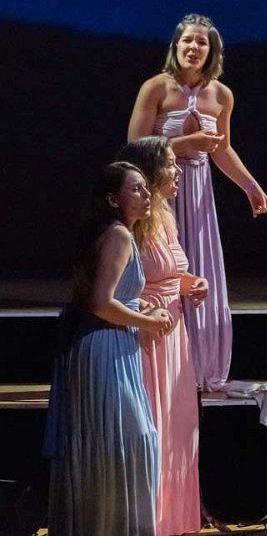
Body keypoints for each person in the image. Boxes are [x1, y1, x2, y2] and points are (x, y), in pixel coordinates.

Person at [128, 13, 267, 391]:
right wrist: (187, 143)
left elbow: (222, 150)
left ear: (212, 51)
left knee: (200, 267)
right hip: (160, 189)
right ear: (176, 45)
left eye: (202, 42)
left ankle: (199, 365)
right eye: (188, 40)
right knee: (165, 270)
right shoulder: (156, 88)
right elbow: (136, 146)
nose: (194, 47)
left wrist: (251, 186)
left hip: (198, 192)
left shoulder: (221, 95)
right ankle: (160, 357)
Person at [43, 162, 173, 535]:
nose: (146, 194)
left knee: (117, 441)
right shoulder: (118, 236)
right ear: (113, 199)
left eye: (146, 187)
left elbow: (114, 294)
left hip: (110, 345)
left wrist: (141, 307)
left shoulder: (114, 233)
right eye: (136, 189)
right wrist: (149, 322)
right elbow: (101, 303)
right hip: (105, 348)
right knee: (126, 440)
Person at [118, 137, 207, 535]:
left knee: (177, 430)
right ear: (150, 173)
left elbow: (169, 274)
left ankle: (170, 520)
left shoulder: (165, 218)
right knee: (152, 430)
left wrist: (194, 284)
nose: (178, 170)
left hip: (174, 336)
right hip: (145, 338)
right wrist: (144, 313)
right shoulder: (130, 225)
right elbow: (118, 286)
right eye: (170, 163)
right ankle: (146, 521)